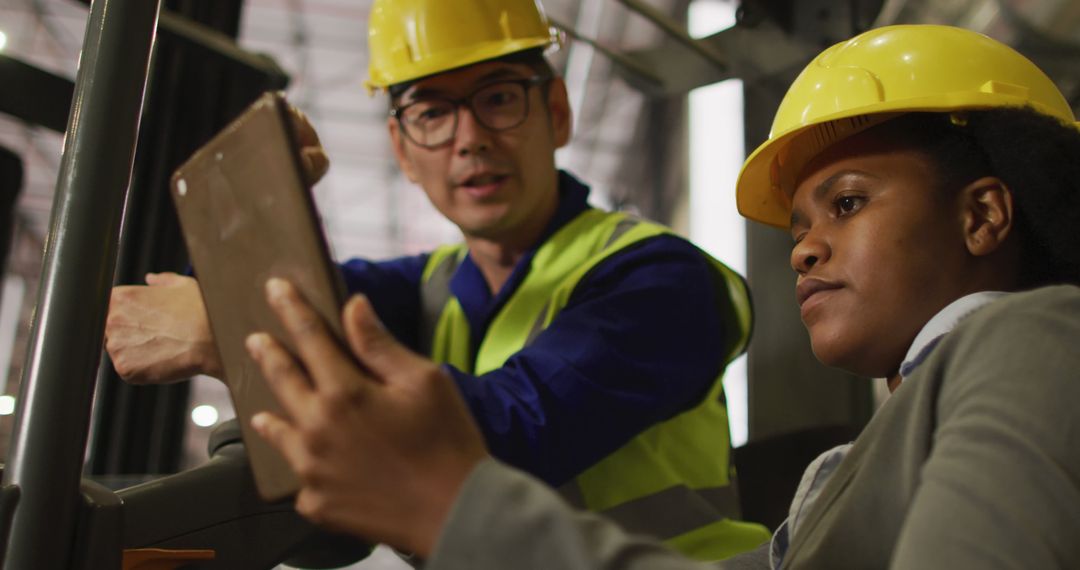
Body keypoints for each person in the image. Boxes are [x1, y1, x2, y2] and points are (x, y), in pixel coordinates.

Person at [243, 24, 1080, 569]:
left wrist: (451, 504)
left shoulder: (1035, 341)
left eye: (849, 203)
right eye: (798, 227)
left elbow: (516, 426)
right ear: (399, 145)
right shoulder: (842, 473)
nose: (807, 248)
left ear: (983, 215)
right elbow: (308, 303)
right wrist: (258, 228)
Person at [103, 0, 769, 559]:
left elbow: (508, 438)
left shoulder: (658, 279)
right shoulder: (429, 287)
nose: (470, 137)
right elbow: (279, 303)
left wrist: (231, 335)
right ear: (402, 149)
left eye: (500, 97)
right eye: (431, 112)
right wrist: (257, 216)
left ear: (557, 113)